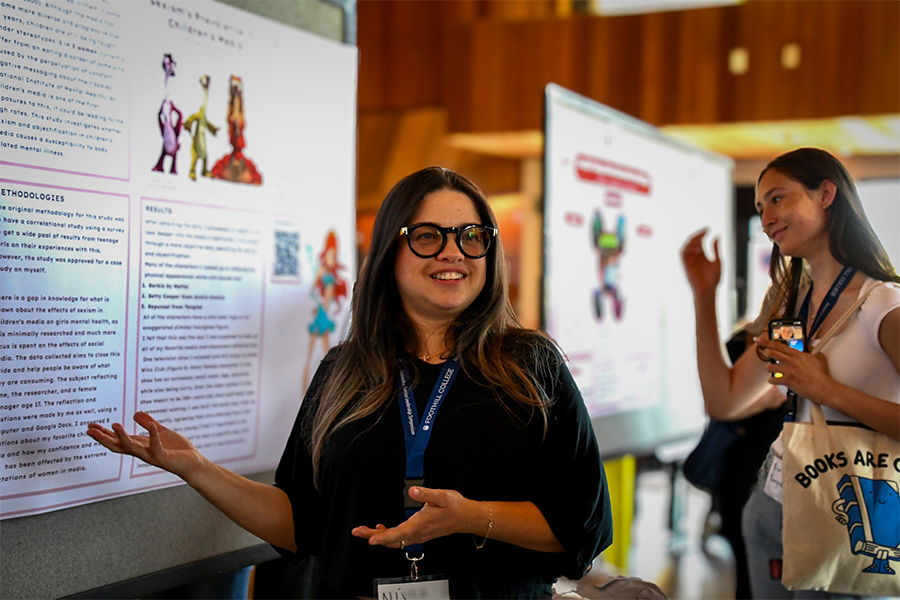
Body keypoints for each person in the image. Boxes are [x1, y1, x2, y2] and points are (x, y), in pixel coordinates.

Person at [87, 166, 613, 599]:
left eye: (471, 236)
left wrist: (469, 517)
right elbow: (301, 525)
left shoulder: (529, 366)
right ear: (389, 256)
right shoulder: (345, 369)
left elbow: (582, 529)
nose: (453, 252)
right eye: (428, 236)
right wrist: (195, 468)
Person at [681, 147, 900, 599]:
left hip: (851, 514)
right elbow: (724, 400)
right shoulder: (790, 308)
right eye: (761, 208)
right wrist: (704, 297)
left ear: (825, 194)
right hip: (772, 504)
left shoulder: (884, 305)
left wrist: (826, 390)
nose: (766, 218)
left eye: (777, 199)